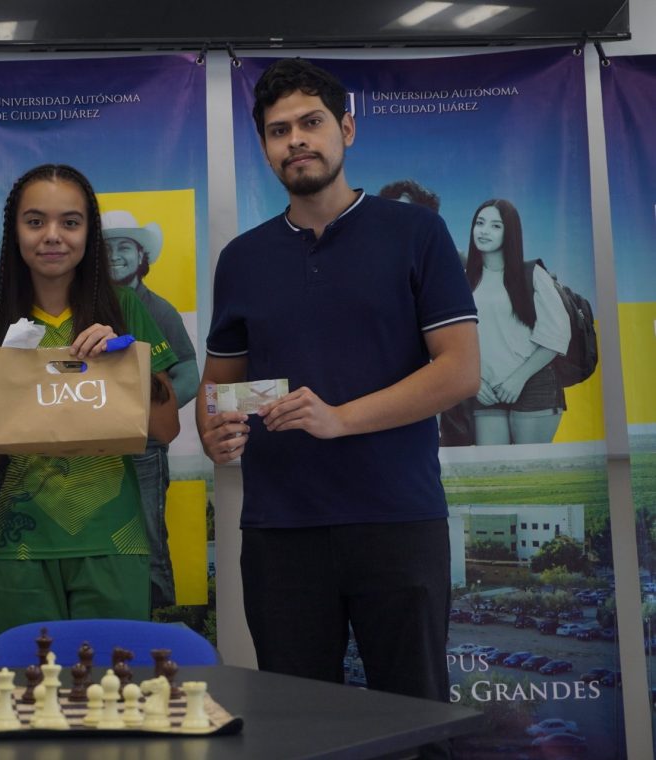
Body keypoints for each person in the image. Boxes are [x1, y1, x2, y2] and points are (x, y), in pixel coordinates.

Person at [196, 58, 480, 740]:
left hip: (397, 519)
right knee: (296, 729)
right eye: (279, 130)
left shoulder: (416, 233)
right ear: (265, 147)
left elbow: (459, 371)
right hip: (281, 531)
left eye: (311, 122)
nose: (296, 140)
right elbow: (218, 387)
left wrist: (340, 419)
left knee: (415, 722)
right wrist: (214, 430)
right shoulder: (242, 258)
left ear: (345, 129)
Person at [0, 164, 181, 634]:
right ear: (15, 232)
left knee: (112, 678)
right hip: (22, 547)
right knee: (29, 680)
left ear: (89, 233)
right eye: (35, 221)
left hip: (114, 542)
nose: (52, 235)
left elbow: (166, 430)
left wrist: (125, 361)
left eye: (70, 222)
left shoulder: (126, 310)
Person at [101, 209, 199, 608]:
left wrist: (142, 417)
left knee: (148, 540)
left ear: (142, 255)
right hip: (91, 449)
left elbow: (188, 374)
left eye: (125, 246)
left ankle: (156, 626)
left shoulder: (158, 309)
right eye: (106, 247)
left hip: (143, 448)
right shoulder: (83, 305)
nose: (115, 255)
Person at [466, 199, 570, 445]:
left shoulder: (533, 274)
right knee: (491, 466)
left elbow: (556, 336)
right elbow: (454, 339)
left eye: (495, 226)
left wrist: (517, 379)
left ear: (510, 232)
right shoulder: (464, 279)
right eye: (480, 223)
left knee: (531, 467)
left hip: (532, 382)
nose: (484, 231)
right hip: (486, 389)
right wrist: (473, 380)